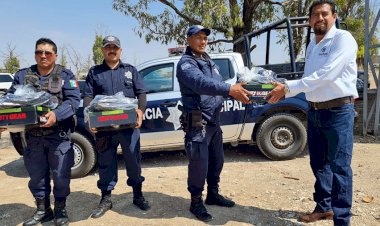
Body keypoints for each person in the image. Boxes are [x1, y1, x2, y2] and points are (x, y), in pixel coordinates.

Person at [267, 1, 358, 225]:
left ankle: (342, 219)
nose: (320, 18)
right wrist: (279, 88)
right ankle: (324, 207)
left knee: (339, 166)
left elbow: (327, 75)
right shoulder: (311, 45)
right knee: (319, 163)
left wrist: (287, 88)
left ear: (334, 16)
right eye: (315, 15)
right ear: (309, 21)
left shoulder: (343, 39)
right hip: (315, 111)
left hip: (338, 111)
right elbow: (311, 83)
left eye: (324, 14)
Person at [0, 38, 81, 226]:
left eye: (47, 53)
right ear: (35, 54)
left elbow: (73, 101)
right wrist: (4, 119)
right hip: (32, 137)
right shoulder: (22, 76)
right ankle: (42, 210)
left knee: (60, 176)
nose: (43, 56)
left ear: (55, 55)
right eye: (39, 52)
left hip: (58, 136)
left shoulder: (65, 75)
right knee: (37, 177)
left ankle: (60, 210)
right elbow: (9, 101)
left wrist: (56, 115)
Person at [176, 25, 252, 222]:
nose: (203, 41)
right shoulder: (186, 63)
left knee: (217, 160)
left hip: (213, 121)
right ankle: (195, 201)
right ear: (188, 40)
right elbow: (201, 83)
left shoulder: (208, 60)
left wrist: (240, 92)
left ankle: (213, 194)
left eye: (205, 38)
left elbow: (216, 86)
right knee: (199, 163)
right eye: (198, 37)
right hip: (197, 121)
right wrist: (229, 89)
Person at [83, 35, 150, 219]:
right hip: (104, 129)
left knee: (134, 162)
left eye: (115, 47)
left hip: (128, 128)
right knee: (106, 164)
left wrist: (140, 110)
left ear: (120, 50)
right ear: (103, 50)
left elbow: (141, 92)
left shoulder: (130, 71)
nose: (111, 50)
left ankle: (138, 195)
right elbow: (88, 96)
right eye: (108, 47)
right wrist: (88, 116)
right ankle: (106, 199)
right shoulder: (94, 72)